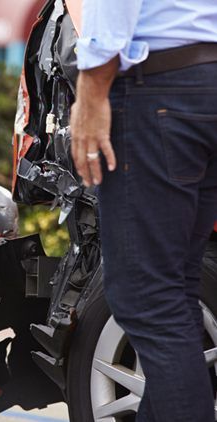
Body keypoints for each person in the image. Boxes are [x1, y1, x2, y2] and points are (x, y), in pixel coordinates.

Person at [70, 1, 217, 420]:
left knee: (147, 297)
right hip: (202, 84)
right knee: (175, 290)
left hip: (162, 84)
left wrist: (92, 88)